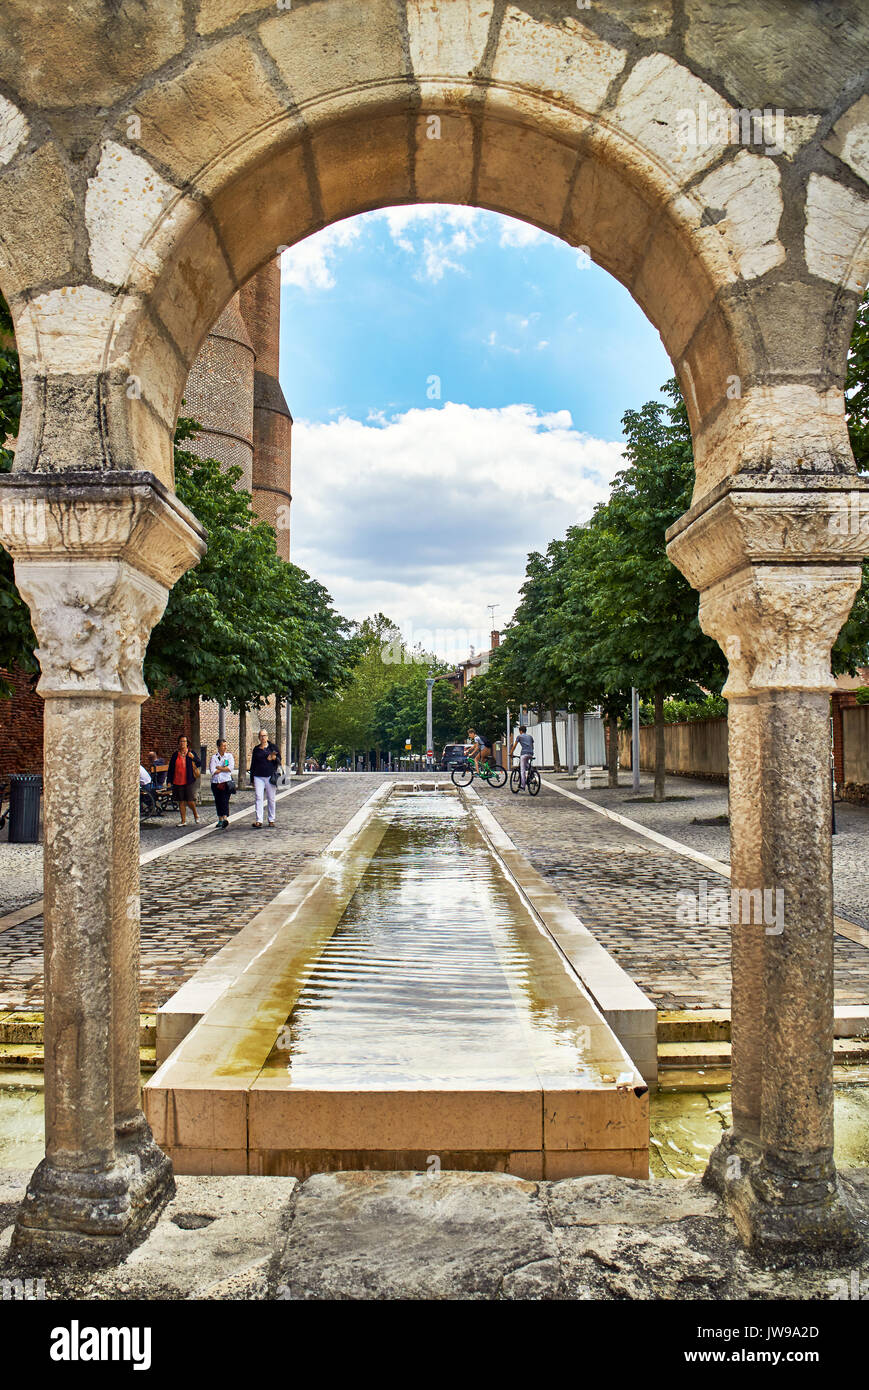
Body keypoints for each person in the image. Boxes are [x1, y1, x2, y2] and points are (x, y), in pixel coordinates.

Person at [249, 727, 282, 828]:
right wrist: (252, 778)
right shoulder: (256, 749)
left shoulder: (273, 748)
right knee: (259, 797)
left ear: (267, 737)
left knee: (271, 798)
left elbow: (279, 760)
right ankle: (259, 820)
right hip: (258, 776)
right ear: (259, 737)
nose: (263, 737)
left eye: (265, 736)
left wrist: (274, 758)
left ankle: (271, 819)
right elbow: (253, 764)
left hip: (269, 775)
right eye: (261, 736)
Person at [166, 735, 201, 826]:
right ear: (178, 743)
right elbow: (171, 769)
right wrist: (169, 781)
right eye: (181, 741)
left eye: (184, 742)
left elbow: (199, 763)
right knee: (181, 801)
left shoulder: (190, 753)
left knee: (190, 800)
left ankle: (196, 815)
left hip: (188, 780)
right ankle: (183, 820)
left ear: (187, 743)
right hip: (178, 781)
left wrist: (193, 757)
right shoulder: (175, 755)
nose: (182, 743)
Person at [209, 738, 235, 829]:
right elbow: (213, 770)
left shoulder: (229, 756)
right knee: (218, 800)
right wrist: (223, 769)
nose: (225, 748)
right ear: (218, 746)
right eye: (223, 746)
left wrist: (219, 768)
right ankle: (220, 818)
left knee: (225, 800)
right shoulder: (214, 757)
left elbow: (230, 768)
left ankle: (225, 818)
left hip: (226, 782)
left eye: (225, 746)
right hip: (216, 782)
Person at [511, 724, 535, 789]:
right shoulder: (530, 737)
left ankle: (523, 785)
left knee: (522, 770)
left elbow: (514, 745)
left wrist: (511, 753)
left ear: (520, 731)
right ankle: (532, 770)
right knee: (526, 764)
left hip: (524, 754)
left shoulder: (519, 736)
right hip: (531, 753)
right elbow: (532, 747)